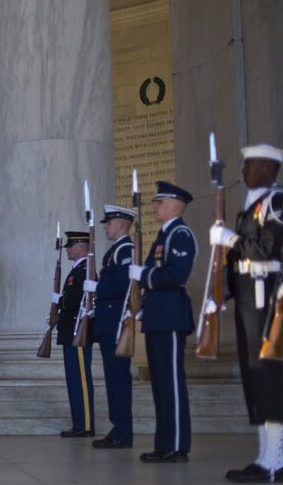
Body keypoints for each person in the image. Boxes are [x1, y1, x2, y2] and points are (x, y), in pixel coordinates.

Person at [210, 144, 283, 481]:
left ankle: (274, 460)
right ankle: (266, 457)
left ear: (269, 169)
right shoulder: (251, 207)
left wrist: (230, 239)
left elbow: (267, 247)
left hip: (269, 300)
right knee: (256, 380)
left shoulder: (276, 203)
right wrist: (221, 292)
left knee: (269, 379)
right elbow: (237, 261)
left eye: (249, 165)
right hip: (249, 300)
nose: (243, 172)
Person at [128, 181, 197, 463]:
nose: (154, 206)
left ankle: (177, 446)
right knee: (160, 384)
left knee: (171, 383)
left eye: (160, 202)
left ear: (176, 206)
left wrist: (142, 275)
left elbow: (176, 274)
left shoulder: (180, 234)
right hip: (158, 315)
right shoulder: (163, 235)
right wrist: (142, 305)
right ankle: (164, 443)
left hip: (170, 316)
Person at [84, 205, 135, 449]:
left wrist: (97, 289)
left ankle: (123, 432)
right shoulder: (114, 251)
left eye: (109, 222)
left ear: (122, 225)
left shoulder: (126, 250)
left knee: (118, 379)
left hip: (117, 324)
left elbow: (125, 285)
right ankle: (118, 428)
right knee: (113, 379)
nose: (105, 226)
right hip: (108, 322)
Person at [52, 231, 94, 438]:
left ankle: (85, 424)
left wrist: (59, 302)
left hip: (78, 331)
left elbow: (81, 301)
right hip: (70, 330)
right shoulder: (76, 270)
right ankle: (79, 422)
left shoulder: (86, 270)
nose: (67, 249)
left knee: (81, 379)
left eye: (70, 246)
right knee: (73, 379)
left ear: (79, 248)